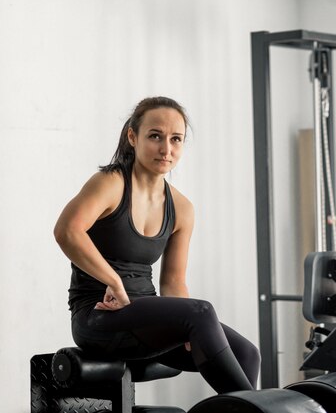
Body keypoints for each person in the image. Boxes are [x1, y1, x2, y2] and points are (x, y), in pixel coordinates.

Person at [54, 96, 259, 394]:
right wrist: (113, 280)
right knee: (201, 312)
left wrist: (192, 325)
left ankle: (242, 408)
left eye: (176, 139)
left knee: (247, 352)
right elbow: (67, 231)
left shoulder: (182, 208)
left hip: (146, 318)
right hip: (99, 316)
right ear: (133, 137)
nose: (166, 149)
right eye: (155, 136)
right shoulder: (111, 183)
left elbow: (174, 282)